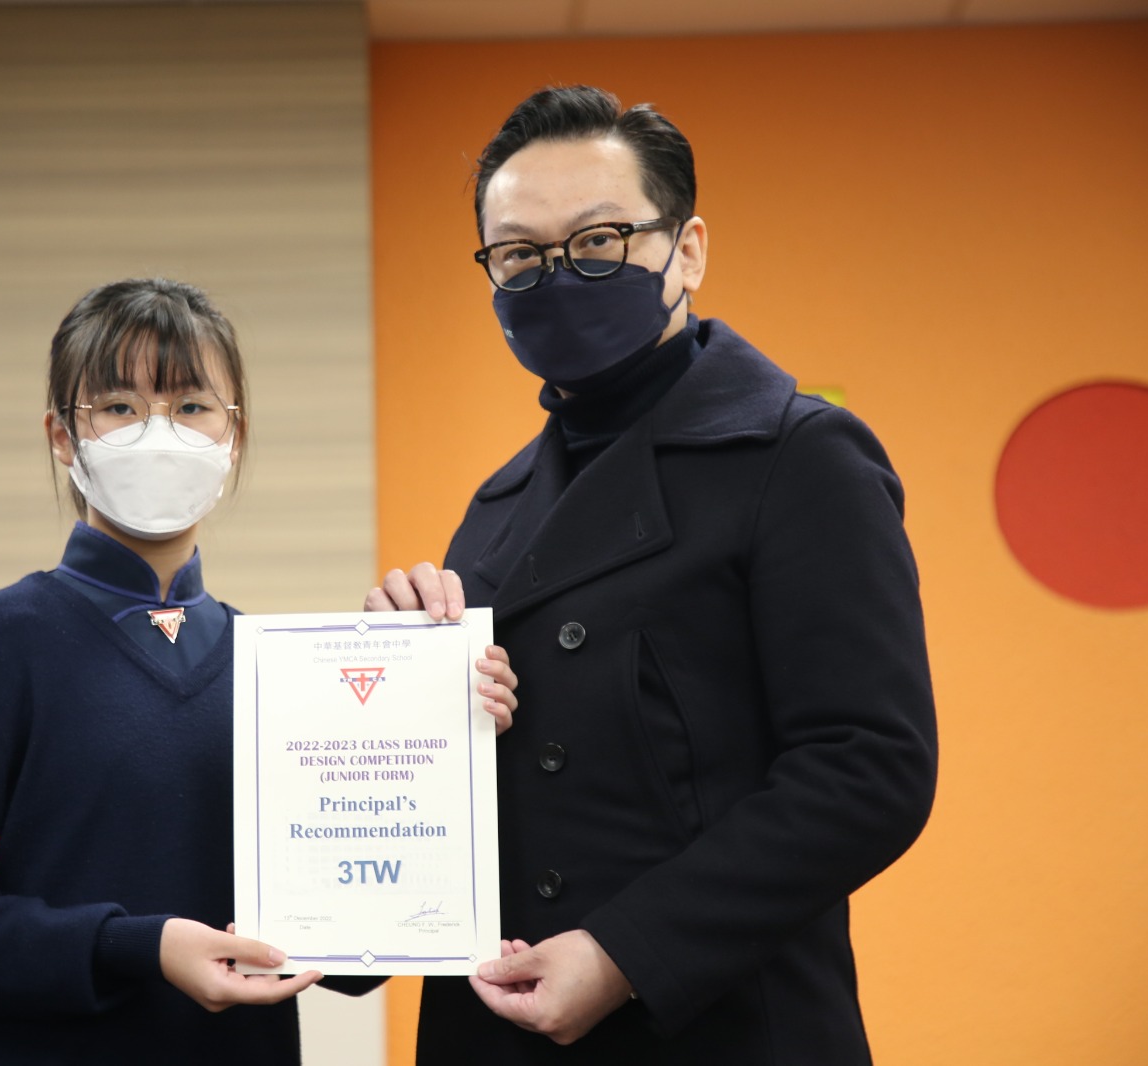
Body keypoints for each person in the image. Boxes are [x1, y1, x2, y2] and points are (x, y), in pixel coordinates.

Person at [367, 86, 938, 1064]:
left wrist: (625, 953)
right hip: (493, 1026)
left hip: (715, 1025)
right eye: (519, 255)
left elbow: (868, 765)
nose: (558, 276)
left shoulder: (799, 455)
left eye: (598, 241)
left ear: (689, 248)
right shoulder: (498, 503)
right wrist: (398, 693)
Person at [0, 277, 519, 1064]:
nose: (158, 432)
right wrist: (138, 947)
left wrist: (444, 731)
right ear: (63, 436)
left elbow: (347, 955)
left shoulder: (284, 672)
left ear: (234, 434)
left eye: (192, 406)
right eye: (118, 406)